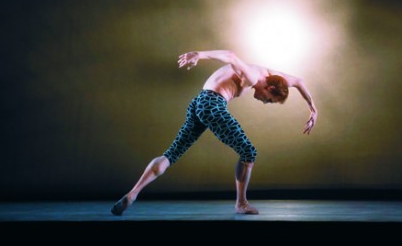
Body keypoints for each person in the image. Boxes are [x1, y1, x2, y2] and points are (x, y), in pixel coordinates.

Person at [111, 50, 318, 215]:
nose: (264, 102)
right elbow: (230, 55)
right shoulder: (254, 75)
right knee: (249, 152)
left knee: (172, 153)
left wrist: (313, 109)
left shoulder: (274, 77)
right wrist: (199, 55)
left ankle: (133, 194)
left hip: (199, 102)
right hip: (212, 105)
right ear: (270, 89)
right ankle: (241, 204)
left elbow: (299, 81)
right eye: (268, 99)